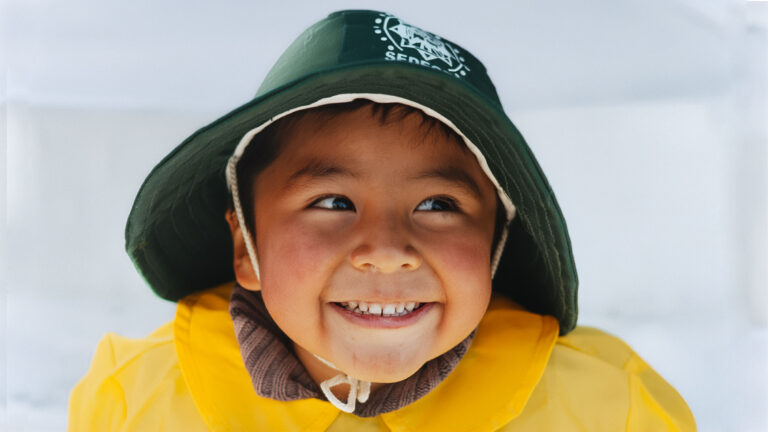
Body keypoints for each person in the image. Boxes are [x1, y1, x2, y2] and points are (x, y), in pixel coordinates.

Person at [68, 9, 696, 431]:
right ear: (245, 248)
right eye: (333, 203)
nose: (388, 251)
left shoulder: (611, 409)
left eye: (438, 206)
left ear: (496, 247)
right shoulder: (137, 402)